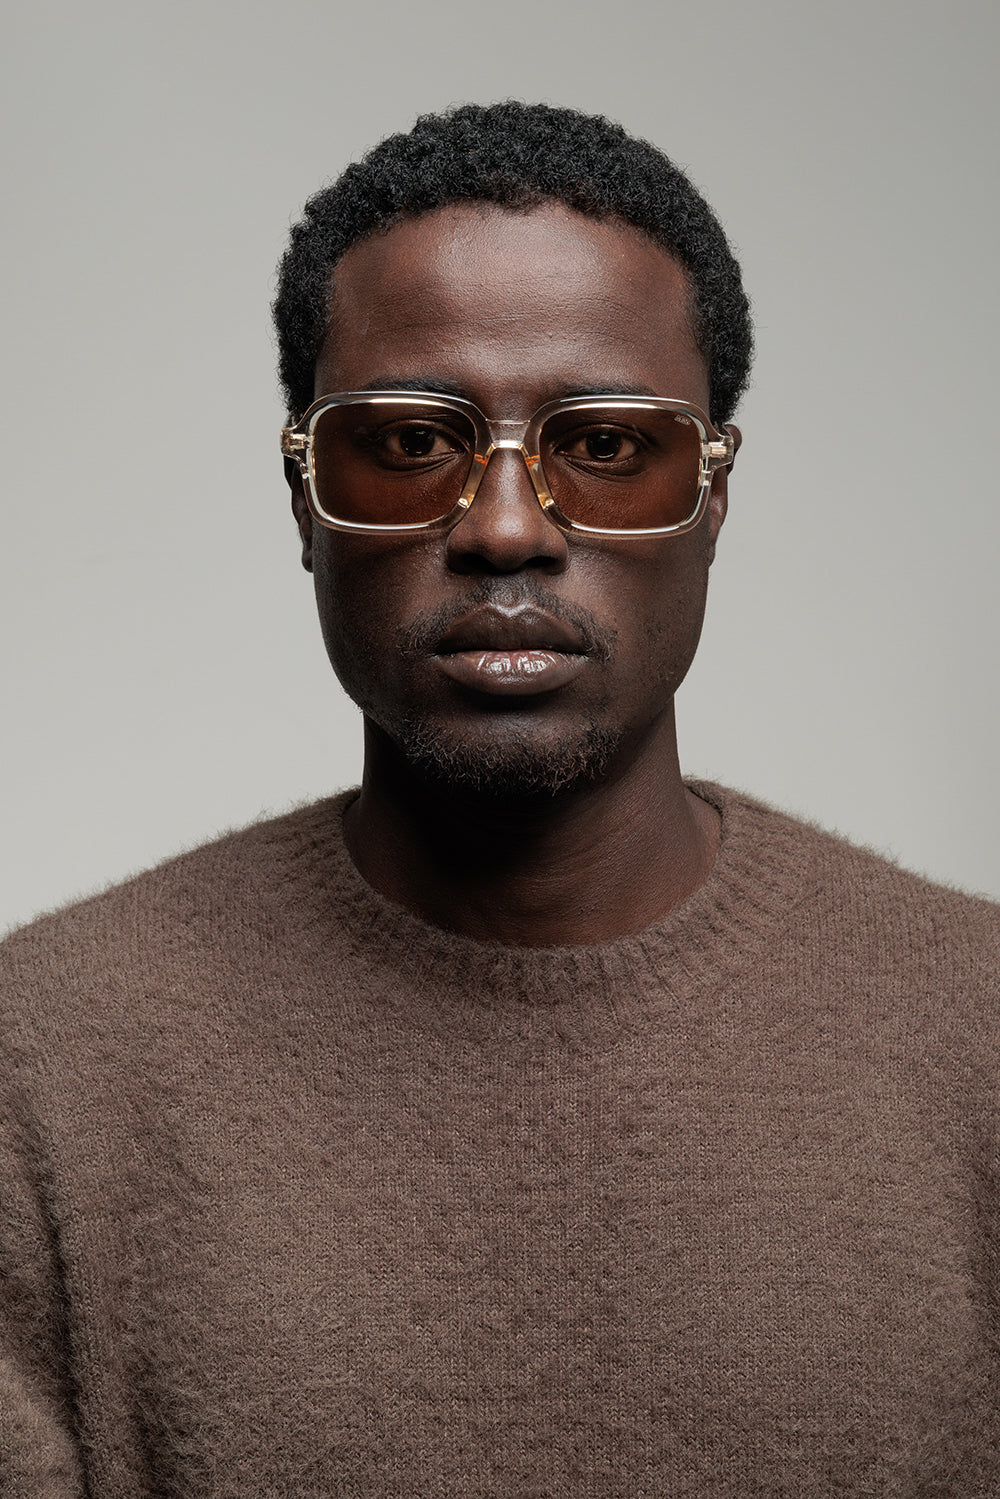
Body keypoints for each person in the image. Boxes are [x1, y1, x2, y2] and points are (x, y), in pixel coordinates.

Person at [1, 101, 997, 1497]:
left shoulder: (977, 1035)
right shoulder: (40, 1069)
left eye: (611, 446)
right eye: (410, 443)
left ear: (715, 498)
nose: (507, 527)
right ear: (302, 498)